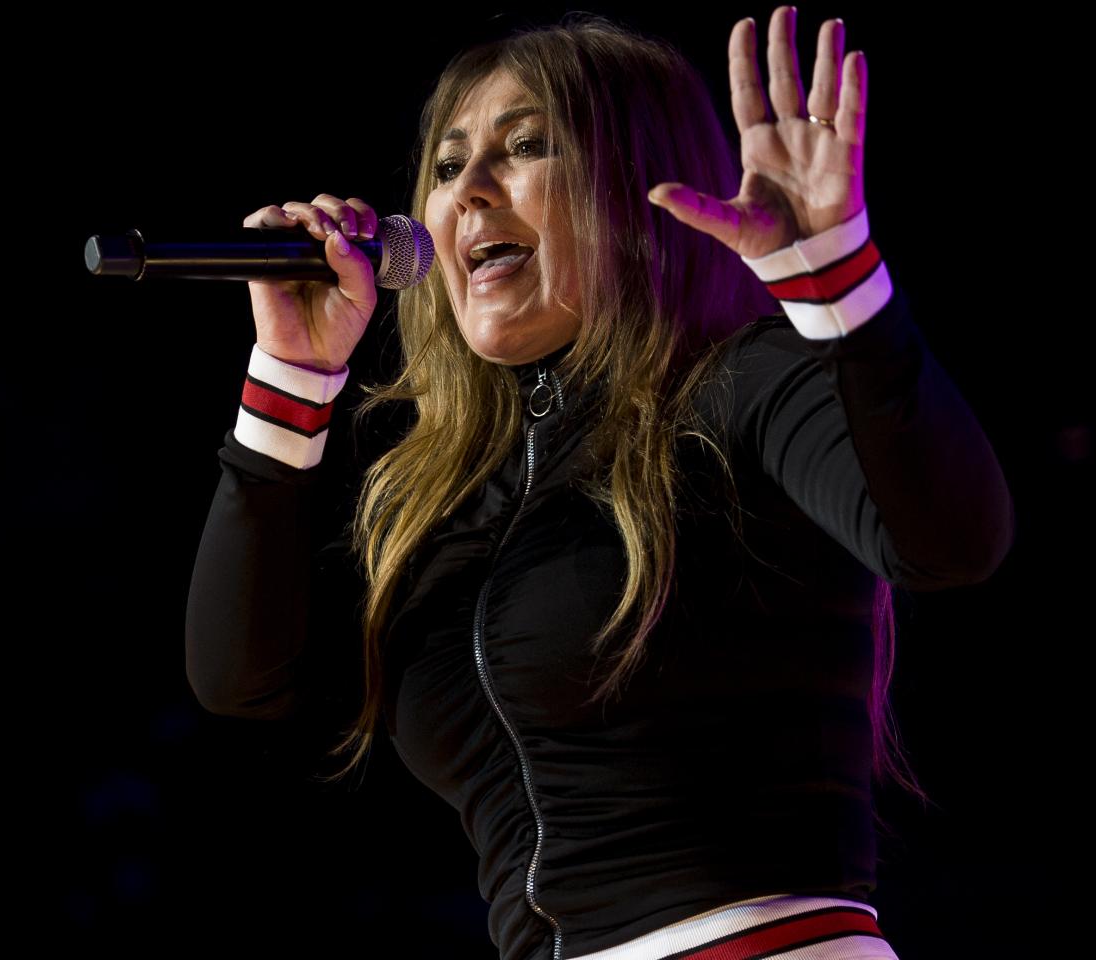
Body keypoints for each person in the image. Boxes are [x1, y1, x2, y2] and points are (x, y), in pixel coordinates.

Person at [185, 9, 1013, 960]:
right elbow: (242, 678)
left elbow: (951, 541)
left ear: (633, 185)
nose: (468, 195)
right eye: (448, 167)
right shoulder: (452, 500)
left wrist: (843, 292)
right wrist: (289, 381)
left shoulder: (743, 384)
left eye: (525, 147)